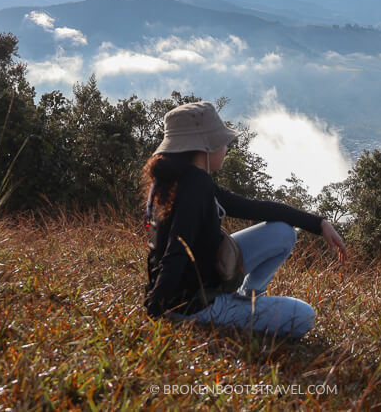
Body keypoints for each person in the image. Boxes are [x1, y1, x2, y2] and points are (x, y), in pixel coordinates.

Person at [143, 101, 348, 339]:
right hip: (197, 307)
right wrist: (156, 311)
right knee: (304, 316)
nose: (226, 149)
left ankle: (247, 298)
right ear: (205, 148)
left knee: (283, 232)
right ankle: (237, 308)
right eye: (222, 143)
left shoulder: (182, 181)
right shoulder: (195, 186)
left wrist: (318, 223)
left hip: (195, 289)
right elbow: (176, 250)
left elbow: (257, 209)